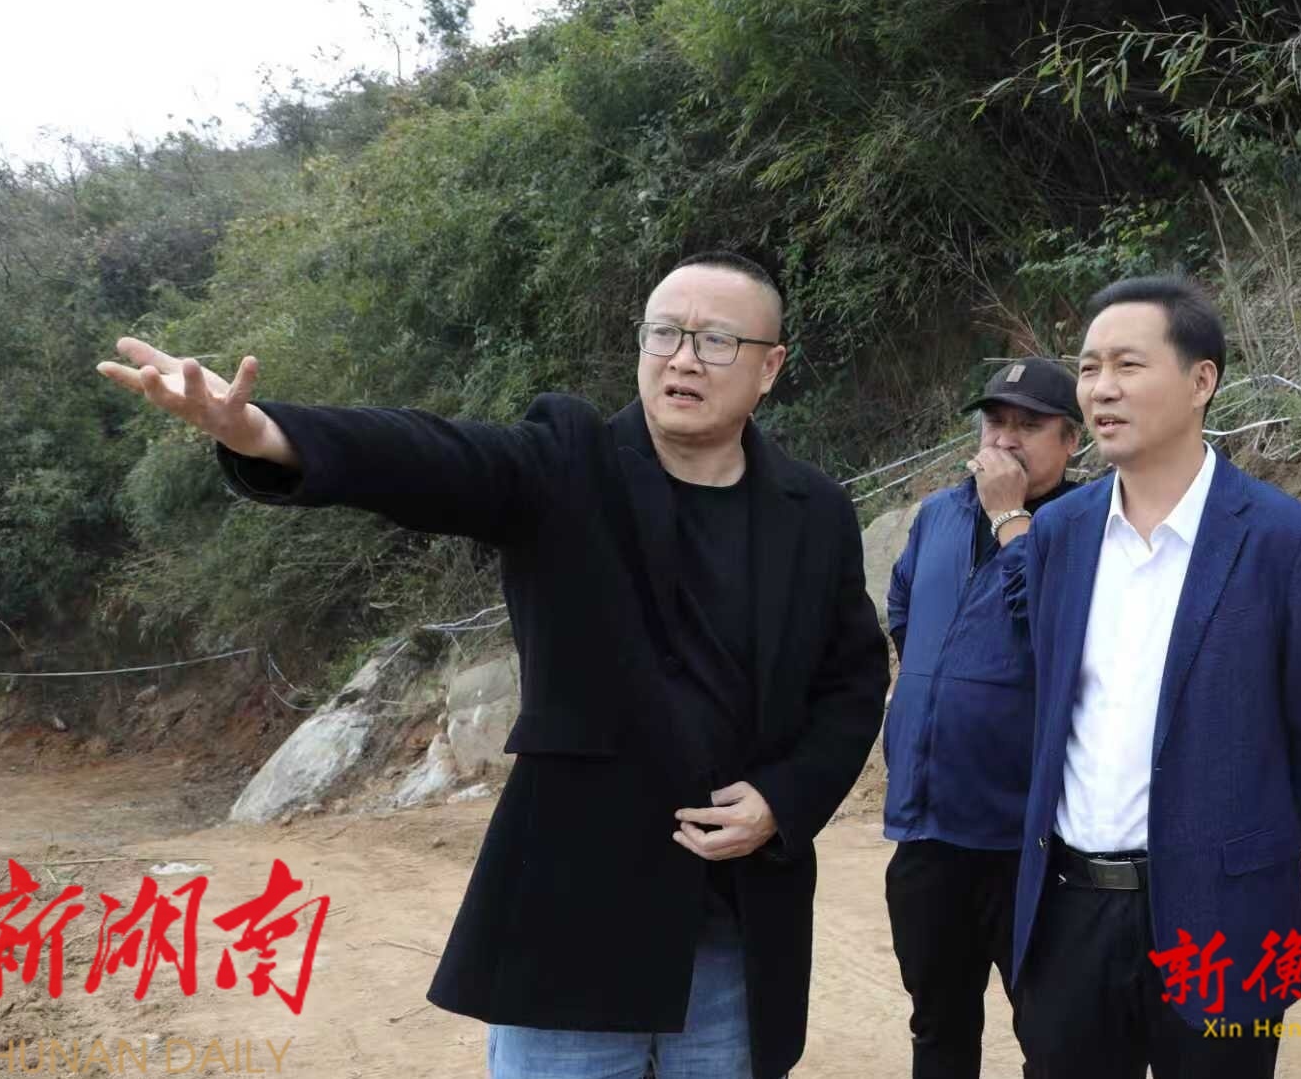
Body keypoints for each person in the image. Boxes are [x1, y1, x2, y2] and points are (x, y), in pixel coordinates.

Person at [96, 250, 890, 1079]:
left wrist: (783, 800)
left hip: (733, 932)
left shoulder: (813, 511)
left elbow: (850, 683)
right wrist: (260, 433)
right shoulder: (568, 464)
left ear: (770, 367)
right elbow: (431, 454)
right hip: (572, 923)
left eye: (716, 340)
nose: (683, 359)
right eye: (664, 333)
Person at [1008, 276, 1301, 1078]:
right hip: (1068, 912)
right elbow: (1048, 706)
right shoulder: (1059, 532)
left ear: (1201, 380)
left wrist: (1236, 846)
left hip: (1222, 919)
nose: (1100, 388)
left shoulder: (1286, 542)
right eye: (1088, 367)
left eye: (1127, 365)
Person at [883, 357, 1081, 1079]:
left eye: (1029, 425)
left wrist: (1009, 518)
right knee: (938, 1028)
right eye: (995, 421)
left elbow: (1054, 626)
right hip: (929, 829)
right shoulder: (938, 514)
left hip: (1028, 842)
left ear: (1071, 442)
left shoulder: (1085, 524)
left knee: (1055, 1039)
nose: (1005, 438)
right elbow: (901, 606)